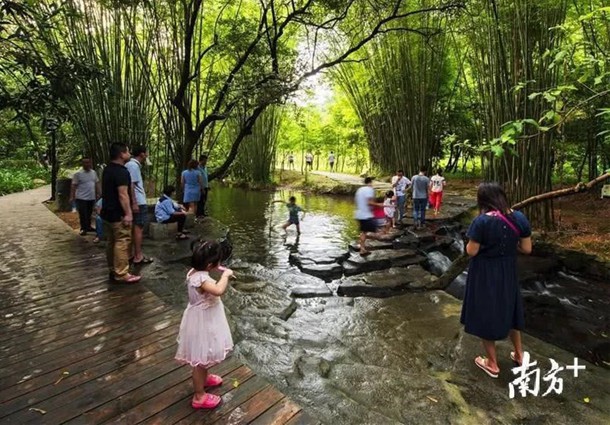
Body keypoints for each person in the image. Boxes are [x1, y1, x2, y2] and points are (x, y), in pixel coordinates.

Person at [460, 182, 532, 378]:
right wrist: (508, 248)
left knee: (486, 312)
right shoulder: (519, 217)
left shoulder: (481, 221)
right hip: (508, 270)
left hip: (484, 272)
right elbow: (527, 249)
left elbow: (471, 251)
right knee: (510, 308)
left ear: (482, 200)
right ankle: (519, 354)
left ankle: (492, 363)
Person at [175, 240, 234, 410]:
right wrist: (225, 275)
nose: (220, 264)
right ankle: (199, 396)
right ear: (209, 265)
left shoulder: (194, 271)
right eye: (218, 262)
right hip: (203, 321)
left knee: (204, 353)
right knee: (200, 360)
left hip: (202, 318)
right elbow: (218, 290)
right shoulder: (201, 279)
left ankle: (204, 378)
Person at [100, 143, 141, 283]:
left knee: (111, 242)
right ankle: (122, 273)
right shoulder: (121, 172)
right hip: (118, 214)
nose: (129, 154)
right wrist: (128, 214)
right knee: (122, 242)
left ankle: (113, 269)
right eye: (127, 151)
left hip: (107, 213)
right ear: (121, 154)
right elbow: (123, 194)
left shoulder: (107, 170)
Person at [125, 146, 152, 265]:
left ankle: (131, 254)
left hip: (137, 201)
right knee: (138, 229)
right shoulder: (133, 165)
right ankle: (138, 256)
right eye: (146, 153)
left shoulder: (131, 165)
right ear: (141, 154)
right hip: (138, 202)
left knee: (134, 229)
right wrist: (134, 202)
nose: (147, 155)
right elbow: (131, 184)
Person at [70, 157, 101, 235]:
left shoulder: (93, 173)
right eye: (85, 162)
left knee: (90, 213)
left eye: (88, 162)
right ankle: (83, 228)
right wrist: (72, 197)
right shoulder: (78, 174)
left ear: (90, 163)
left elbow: (97, 183)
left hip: (91, 197)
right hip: (81, 197)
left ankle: (88, 227)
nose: (87, 164)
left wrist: (99, 192)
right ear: (82, 164)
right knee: (83, 214)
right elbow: (73, 185)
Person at [354, 177, 383, 256]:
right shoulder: (369, 189)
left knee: (364, 232)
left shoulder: (359, 190)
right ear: (370, 182)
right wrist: (379, 205)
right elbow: (369, 202)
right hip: (366, 215)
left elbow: (357, 202)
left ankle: (362, 248)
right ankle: (361, 246)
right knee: (377, 233)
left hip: (359, 214)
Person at [196, 154, 209, 219]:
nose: (206, 162)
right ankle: (199, 214)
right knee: (200, 200)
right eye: (205, 160)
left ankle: (202, 213)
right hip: (200, 187)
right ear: (201, 160)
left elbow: (205, 177)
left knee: (204, 200)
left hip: (206, 186)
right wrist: (201, 187)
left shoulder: (205, 168)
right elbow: (197, 179)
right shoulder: (197, 168)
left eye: (206, 160)